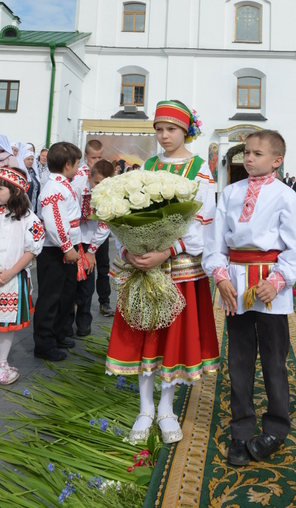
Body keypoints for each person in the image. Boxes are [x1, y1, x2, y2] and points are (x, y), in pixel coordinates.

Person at [106, 100, 220, 444]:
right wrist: (128, 247)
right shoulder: (148, 166)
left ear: (186, 131)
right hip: (142, 263)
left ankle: (166, 408)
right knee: (145, 333)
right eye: (159, 129)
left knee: (172, 337)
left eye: (171, 129)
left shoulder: (200, 169)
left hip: (180, 265)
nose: (164, 135)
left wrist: (168, 250)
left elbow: (204, 222)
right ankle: (145, 408)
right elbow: (125, 212)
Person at [203, 130, 296, 467]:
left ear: (277, 161)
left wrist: (277, 281)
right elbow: (215, 243)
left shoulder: (286, 197)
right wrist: (220, 276)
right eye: (246, 152)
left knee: (275, 360)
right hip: (236, 284)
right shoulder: (230, 193)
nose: (248, 158)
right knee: (239, 358)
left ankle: (276, 427)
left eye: (257, 154)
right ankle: (241, 429)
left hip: (270, 286)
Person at [0, 167, 44, 384]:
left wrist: (10, 272)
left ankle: (2, 361)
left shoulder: (30, 220)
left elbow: (31, 250)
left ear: (16, 191)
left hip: (14, 279)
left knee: (7, 323)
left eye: (0, 189)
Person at [33, 142, 82, 362]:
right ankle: (44, 343)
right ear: (68, 164)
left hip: (67, 247)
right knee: (51, 296)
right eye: (77, 163)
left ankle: (57, 333)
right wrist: (67, 247)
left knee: (66, 293)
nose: (78, 168)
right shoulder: (53, 188)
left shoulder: (63, 185)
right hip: (55, 250)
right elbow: (55, 223)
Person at [69, 159, 114, 337]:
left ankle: (84, 322)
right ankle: (66, 324)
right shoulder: (76, 188)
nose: (99, 188)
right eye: (96, 183)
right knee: (70, 282)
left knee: (87, 284)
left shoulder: (110, 193)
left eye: (104, 184)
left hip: (91, 238)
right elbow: (69, 218)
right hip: (72, 238)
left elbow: (105, 225)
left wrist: (91, 252)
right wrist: (74, 247)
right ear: (89, 177)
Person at [17, 143, 40, 214]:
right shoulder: (20, 173)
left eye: (32, 159)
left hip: (33, 208)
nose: (30, 161)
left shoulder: (33, 173)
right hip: (22, 208)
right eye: (28, 159)